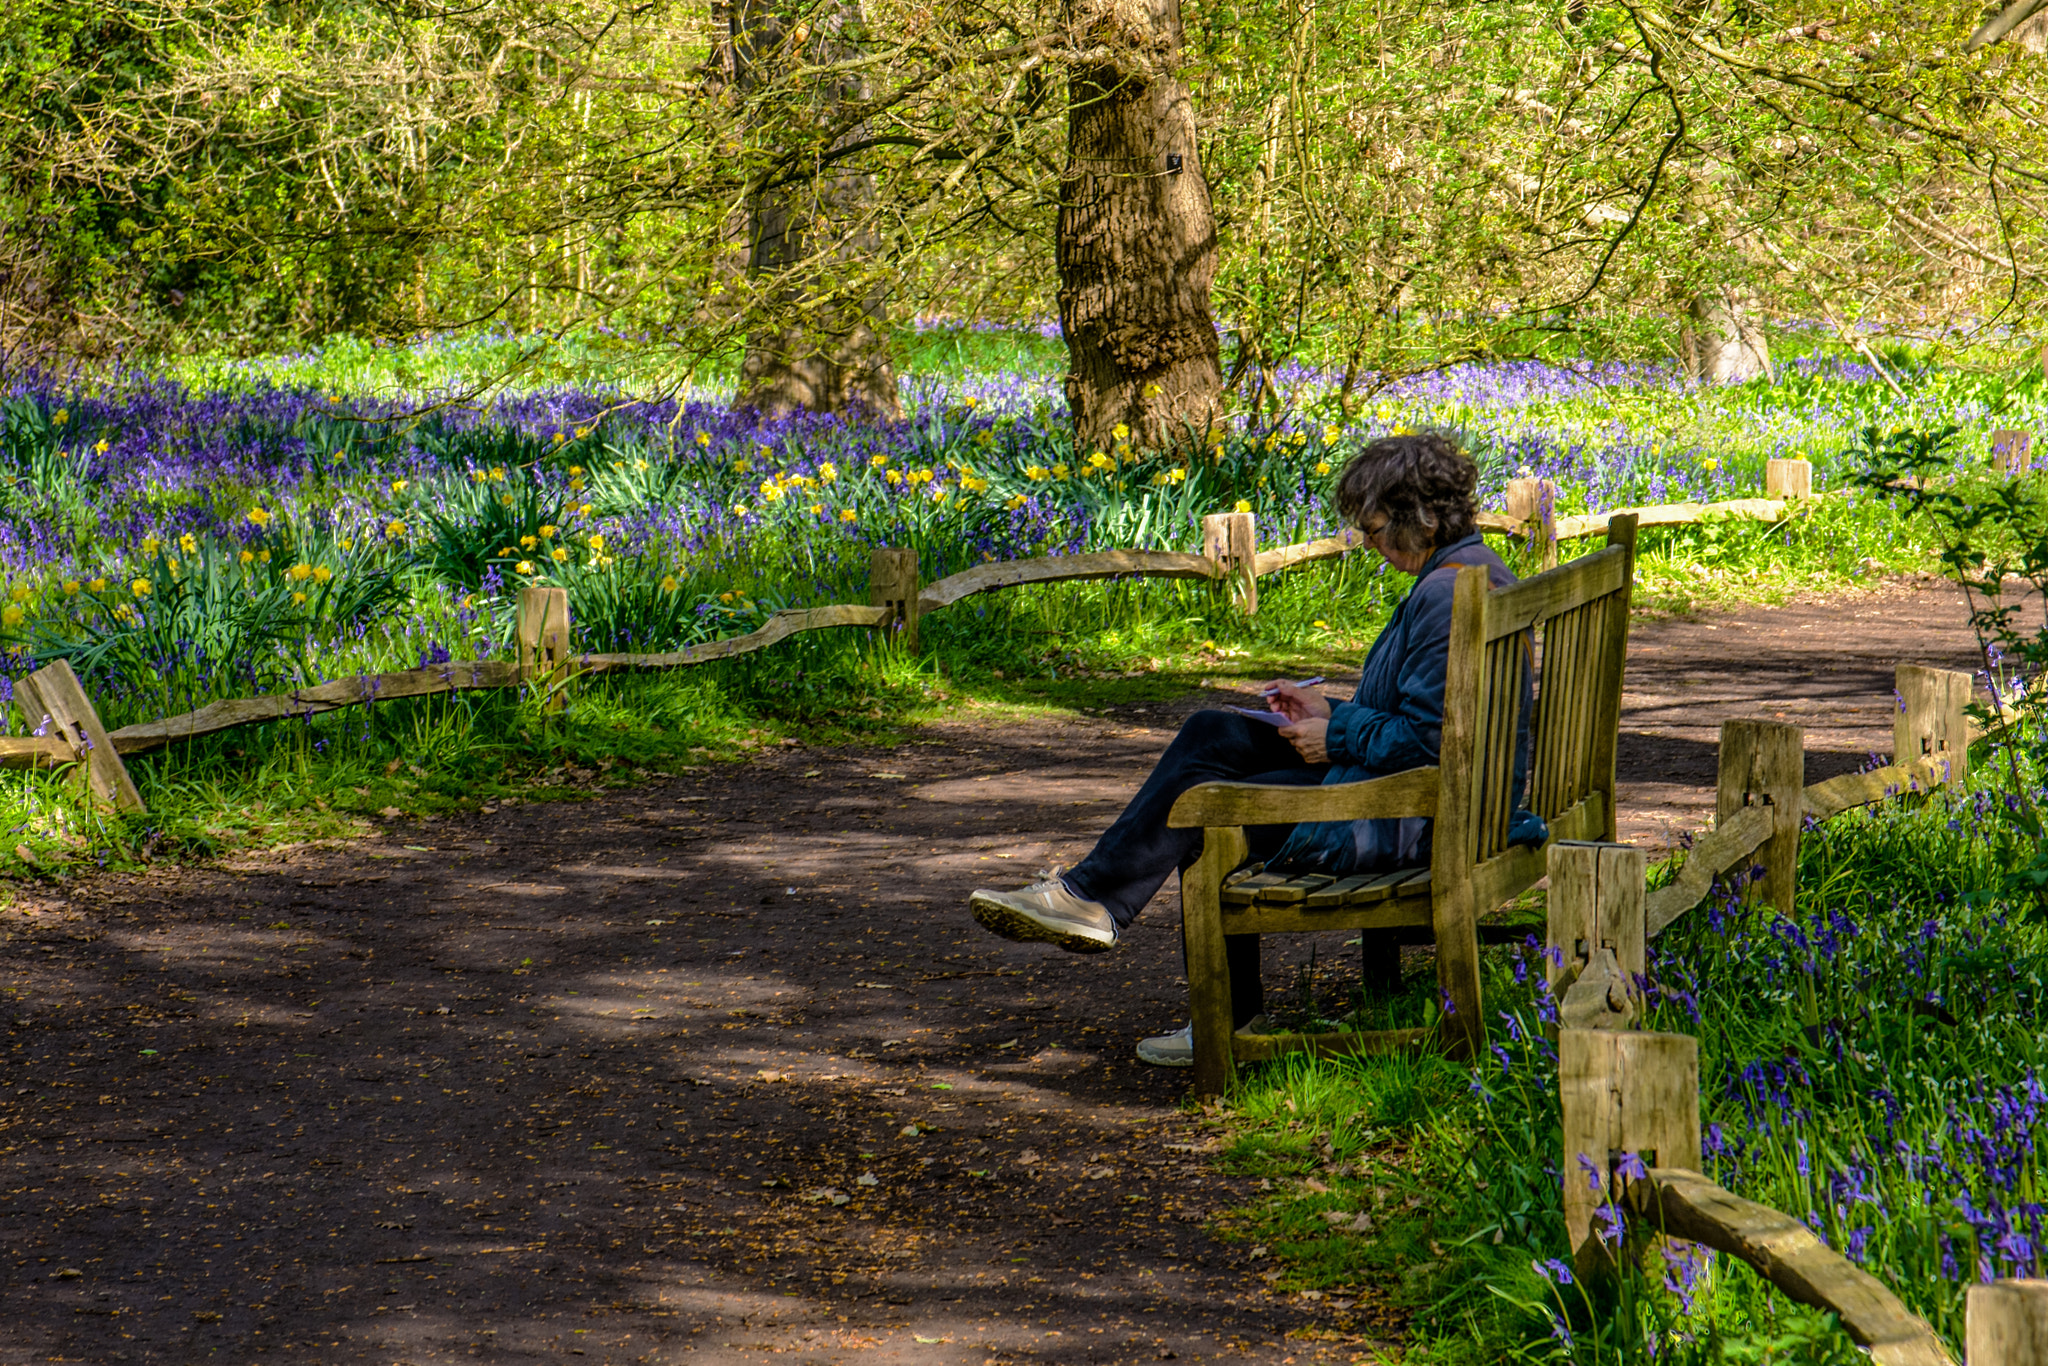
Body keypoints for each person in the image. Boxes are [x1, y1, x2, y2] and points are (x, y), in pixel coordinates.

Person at [965, 430, 1545, 1066]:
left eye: (1376, 528)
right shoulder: (1477, 574)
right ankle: (1091, 898)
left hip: (1410, 818)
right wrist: (1331, 711)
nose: (1372, 545)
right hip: (1443, 802)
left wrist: (1336, 735)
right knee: (1214, 732)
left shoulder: (1444, 596)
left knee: (1207, 810)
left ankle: (1208, 1001)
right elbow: (1438, 725)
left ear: (1424, 515)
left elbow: (1429, 744)